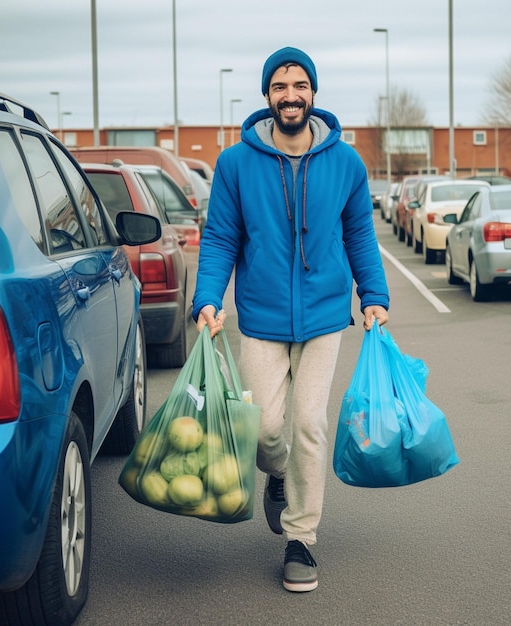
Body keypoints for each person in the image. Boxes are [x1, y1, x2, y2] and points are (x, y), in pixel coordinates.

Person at [193, 46, 389, 592]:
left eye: (299, 85)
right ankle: (277, 476)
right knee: (268, 430)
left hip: (326, 316)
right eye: (280, 87)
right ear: (266, 97)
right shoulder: (236, 163)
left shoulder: (346, 162)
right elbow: (220, 238)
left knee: (309, 424)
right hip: (260, 317)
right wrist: (209, 297)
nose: (290, 96)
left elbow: (359, 236)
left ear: (313, 94)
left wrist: (372, 293)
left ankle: (302, 539)